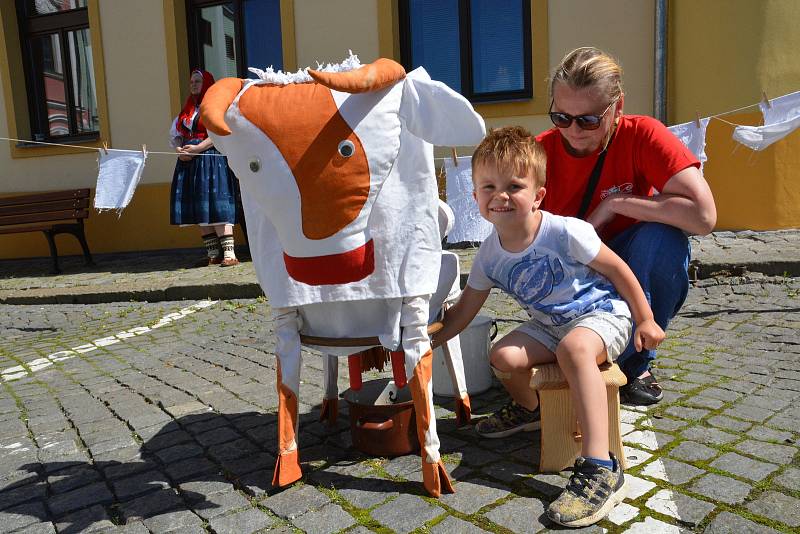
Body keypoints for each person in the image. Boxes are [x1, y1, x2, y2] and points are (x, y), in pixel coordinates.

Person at [433, 126, 664, 527]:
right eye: (488, 186)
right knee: (501, 355)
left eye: (514, 185)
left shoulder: (565, 231)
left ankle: (600, 467)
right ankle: (530, 408)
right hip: (550, 324)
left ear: (538, 194)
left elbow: (619, 270)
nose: (500, 196)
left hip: (603, 316)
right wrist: (428, 339)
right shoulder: (489, 255)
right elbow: (465, 311)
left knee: (573, 350)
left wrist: (644, 318)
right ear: (475, 198)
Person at [536, 47, 717, 405]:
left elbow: (703, 216)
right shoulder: (539, 151)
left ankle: (635, 363)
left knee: (662, 240)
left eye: (588, 120)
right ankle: (584, 352)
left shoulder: (643, 135)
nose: (573, 131)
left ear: (617, 108)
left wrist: (615, 203)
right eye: (561, 117)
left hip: (628, 260)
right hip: (570, 271)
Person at [170, 69, 241, 267]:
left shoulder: (215, 107)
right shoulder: (187, 109)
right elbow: (175, 134)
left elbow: (221, 131)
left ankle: (229, 254)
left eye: (198, 81)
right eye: (191, 81)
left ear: (207, 83)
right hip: (190, 161)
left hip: (211, 159)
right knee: (199, 205)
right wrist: (180, 151)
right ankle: (213, 253)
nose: (193, 84)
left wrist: (199, 148)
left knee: (216, 203)